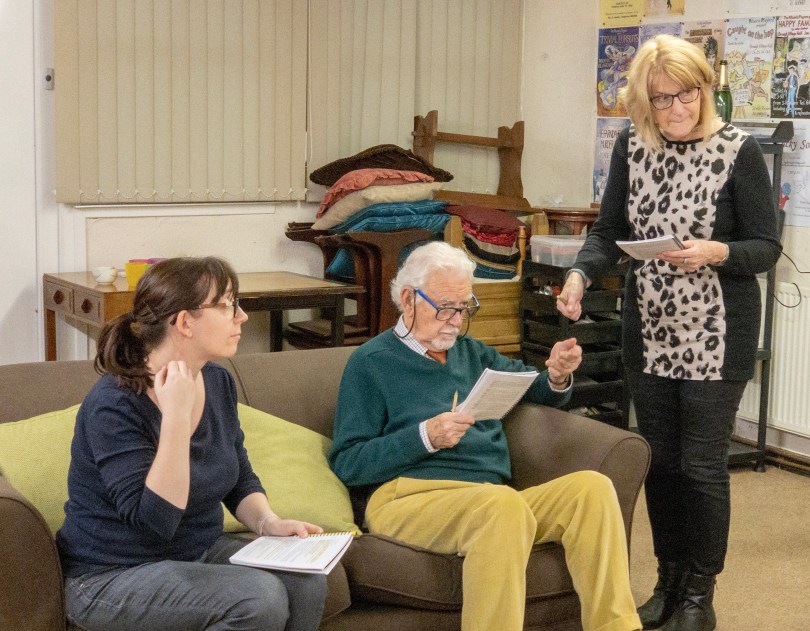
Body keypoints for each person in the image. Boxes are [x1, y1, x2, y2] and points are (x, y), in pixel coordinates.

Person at [556, 35, 782, 631]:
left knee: (701, 466)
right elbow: (607, 231)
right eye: (662, 99)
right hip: (650, 330)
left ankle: (699, 596)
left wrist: (716, 251)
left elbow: (765, 246)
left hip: (717, 334)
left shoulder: (738, 150)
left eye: (687, 95)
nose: (677, 109)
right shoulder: (633, 146)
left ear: (705, 90)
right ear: (644, 101)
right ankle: (668, 580)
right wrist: (580, 274)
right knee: (659, 462)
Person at [329, 241, 642, 631]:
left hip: (489, 498)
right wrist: (425, 436)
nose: (456, 321)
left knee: (592, 490)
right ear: (408, 299)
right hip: (408, 498)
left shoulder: (473, 353)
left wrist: (557, 374)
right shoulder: (370, 362)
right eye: (446, 307)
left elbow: (533, 388)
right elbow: (348, 462)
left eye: (464, 308)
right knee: (502, 506)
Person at [56, 257, 328, 631]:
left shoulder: (217, 381)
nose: (242, 316)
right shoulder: (114, 404)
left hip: (196, 553)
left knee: (306, 581)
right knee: (258, 598)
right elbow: (154, 523)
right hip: (110, 574)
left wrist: (268, 523)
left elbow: (238, 476)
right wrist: (176, 417)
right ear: (185, 322)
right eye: (228, 305)